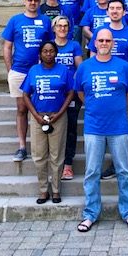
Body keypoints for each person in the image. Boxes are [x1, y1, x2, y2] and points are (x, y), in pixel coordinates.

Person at [74, 29, 128, 232]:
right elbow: (80, 92)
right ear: (94, 42)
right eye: (100, 40)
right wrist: (97, 108)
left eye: (107, 40)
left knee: (124, 171)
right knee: (92, 172)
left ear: (113, 43)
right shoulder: (85, 67)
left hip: (119, 127)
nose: (103, 43)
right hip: (94, 127)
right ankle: (91, 213)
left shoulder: (124, 66)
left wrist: (115, 109)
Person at [88, 0, 128, 179]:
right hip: (101, 90)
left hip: (123, 90)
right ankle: (115, 163)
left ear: (123, 12)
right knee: (104, 130)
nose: (114, 11)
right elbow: (91, 58)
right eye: (112, 8)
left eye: (118, 8)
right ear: (107, 12)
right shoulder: (100, 32)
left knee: (123, 127)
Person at [2, 0, 52, 162]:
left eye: (36, 0)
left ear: (39, 3)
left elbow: (50, 46)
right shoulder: (15, 20)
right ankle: (22, 147)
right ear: (25, 1)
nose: (33, 2)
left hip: (39, 71)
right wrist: (10, 70)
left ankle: (41, 146)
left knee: (40, 108)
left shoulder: (45, 21)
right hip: (19, 71)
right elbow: (7, 46)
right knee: (22, 108)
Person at [21, 41, 74, 204]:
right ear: (40, 54)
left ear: (56, 53)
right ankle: (43, 191)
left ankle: (56, 191)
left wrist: (59, 114)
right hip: (38, 117)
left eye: (51, 51)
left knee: (57, 155)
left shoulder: (64, 71)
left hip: (57, 117)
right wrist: (35, 115)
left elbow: (71, 92)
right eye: (45, 51)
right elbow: (25, 94)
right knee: (39, 155)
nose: (48, 54)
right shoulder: (34, 70)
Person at [52, 15, 83, 180]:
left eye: (65, 26)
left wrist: (73, 82)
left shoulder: (74, 45)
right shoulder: (49, 46)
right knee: (55, 128)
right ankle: (55, 163)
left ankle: (68, 165)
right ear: (54, 28)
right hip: (53, 94)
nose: (62, 28)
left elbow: (80, 67)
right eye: (59, 26)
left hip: (71, 93)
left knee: (70, 128)